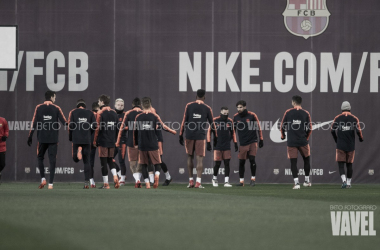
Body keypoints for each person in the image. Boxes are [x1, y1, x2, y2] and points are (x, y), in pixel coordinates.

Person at [27, 90, 67, 189]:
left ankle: (43, 179)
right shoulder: (56, 108)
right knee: (52, 161)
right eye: (55, 97)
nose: (55, 99)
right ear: (52, 97)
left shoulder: (38, 107)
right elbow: (65, 123)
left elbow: (34, 123)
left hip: (42, 138)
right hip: (53, 139)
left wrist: (30, 136)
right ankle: (50, 184)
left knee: (40, 158)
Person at [133, 97, 176, 189]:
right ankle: (154, 180)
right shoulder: (147, 113)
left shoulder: (152, 112)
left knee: (158, 160)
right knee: (150, 161)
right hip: (151, 138)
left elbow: (160, 125)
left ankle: (166, 177)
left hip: (156, 138)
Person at [179, 89, 217, 188]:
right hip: (200, 136)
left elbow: (184, 120)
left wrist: (180, 134)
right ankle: (198, 183)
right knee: (199, 159)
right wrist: (215, 137)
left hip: (189, 135)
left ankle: (190, 181)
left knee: (189, 157)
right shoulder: (207, 108)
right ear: (204, 97)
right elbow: (212, 124)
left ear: (196, 96)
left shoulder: (189, 105)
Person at [280, 95, 312, 190]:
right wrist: (306, 137)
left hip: (292, 142)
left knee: (293, 162)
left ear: (293, 102)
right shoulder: (306, 113)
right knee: (306, 160)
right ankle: (306, 181)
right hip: (303, 141)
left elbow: (282, 126)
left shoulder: (288, 112)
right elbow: (310, 128)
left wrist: (283, 136)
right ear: (300, 102)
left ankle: (297, 183)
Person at [331, 101, 363, 189]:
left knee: (341, 165)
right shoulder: (354, 118)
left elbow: (332, 130)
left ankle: (344, 181)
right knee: (349, 165)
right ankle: (349, 184)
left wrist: (336, 140)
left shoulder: (337, 118)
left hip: (340, 145)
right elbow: (358, 131)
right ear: (350, 108)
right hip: (350, 145)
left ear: (341, 108)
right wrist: (361, 138)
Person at [233, 100, 263, 187]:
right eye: (238, 107)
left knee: (252, 160)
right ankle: (241, 182)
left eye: (241, 107)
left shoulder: (252, 115)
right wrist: (235, 142)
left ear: (245, 107)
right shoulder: (235, 117)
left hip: (253, 141)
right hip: (242, 143)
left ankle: (253, 180)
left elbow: (259, 127)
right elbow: (233, 131)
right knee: (241, 162)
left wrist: (261, 139)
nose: (239, 109)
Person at [68, 99, 97, 189]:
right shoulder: (90, 113)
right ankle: (86, 182)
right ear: (85, 106)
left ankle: (78, 152)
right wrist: (89, 132)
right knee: (87, 162)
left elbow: (71, 126)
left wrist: (71, 138)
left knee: (75, 159)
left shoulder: (73, 112)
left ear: (77, 106)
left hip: (76, 139)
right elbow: (95, 125)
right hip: (86, 139)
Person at [93, 94, 120, 189]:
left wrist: (94, 141)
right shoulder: (114, 113)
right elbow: (118, 129)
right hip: (112, 141)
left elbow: (97, 129)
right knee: (110, 160)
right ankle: (115, 176)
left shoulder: (100, 113)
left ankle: (106, 184)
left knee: (103, 162)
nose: (98, 103)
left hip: (103, 141)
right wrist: (116, 141)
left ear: (102, 102)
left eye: (99, 101)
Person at [116, 98, 143, 188]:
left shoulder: (128, 113)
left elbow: (122, 127)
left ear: (132, 105)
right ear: (140, 104)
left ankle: (137, 180)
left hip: (131, 141)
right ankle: (141, 179)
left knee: (132, 163)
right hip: (143, 142)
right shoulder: (144, 113)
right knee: (140, 162)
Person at [207, 107, 237, 187]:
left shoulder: (230, 121)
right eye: (224, 113)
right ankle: (214, 179)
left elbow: (233, 133)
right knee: (218, 163)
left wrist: (235, 143)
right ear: (221, 112)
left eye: (227, 114)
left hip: (227, 145)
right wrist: (208, 142)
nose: (226, 115)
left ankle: (226, 182)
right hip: (217, 145)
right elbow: (209, 131)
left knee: (227, 163)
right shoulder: (215, 120)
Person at [114, 98, 127, 185]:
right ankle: (119, 174)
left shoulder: (126, 115)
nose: (120, 106)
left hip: (122, 141)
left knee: (121, 160)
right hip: (112, 140)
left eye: (121, 105)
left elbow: (130, 126)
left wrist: (122, 128)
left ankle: (122, 179)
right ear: (115, 105)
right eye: (118, 105)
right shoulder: (111, 114)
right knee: (108, 159)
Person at [89, 102, 100, 188]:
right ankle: (118, 175)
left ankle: (91, 181)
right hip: (100, 141)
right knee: (108, 160)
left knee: (90, 162)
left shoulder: (88, 115)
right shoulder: (100, 115)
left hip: (89, 141)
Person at [0, 116, 9, 184]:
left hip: (1, 146)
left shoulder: (3, 120)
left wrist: (5, 135)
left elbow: (6, 130)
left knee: (2, 164)